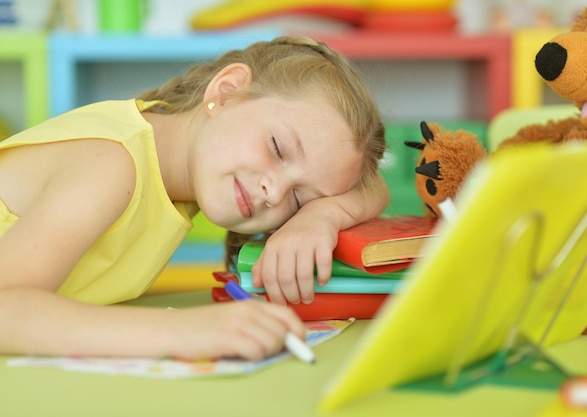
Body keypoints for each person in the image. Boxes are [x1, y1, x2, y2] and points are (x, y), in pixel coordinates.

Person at [0, 36, 388, 361]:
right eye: (278, 147)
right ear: (227, 92)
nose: (275, 192)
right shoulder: (113, 162)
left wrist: (320, 217)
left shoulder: (173, 168)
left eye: (299, 197)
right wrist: (181, 330)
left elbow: (374, 188)